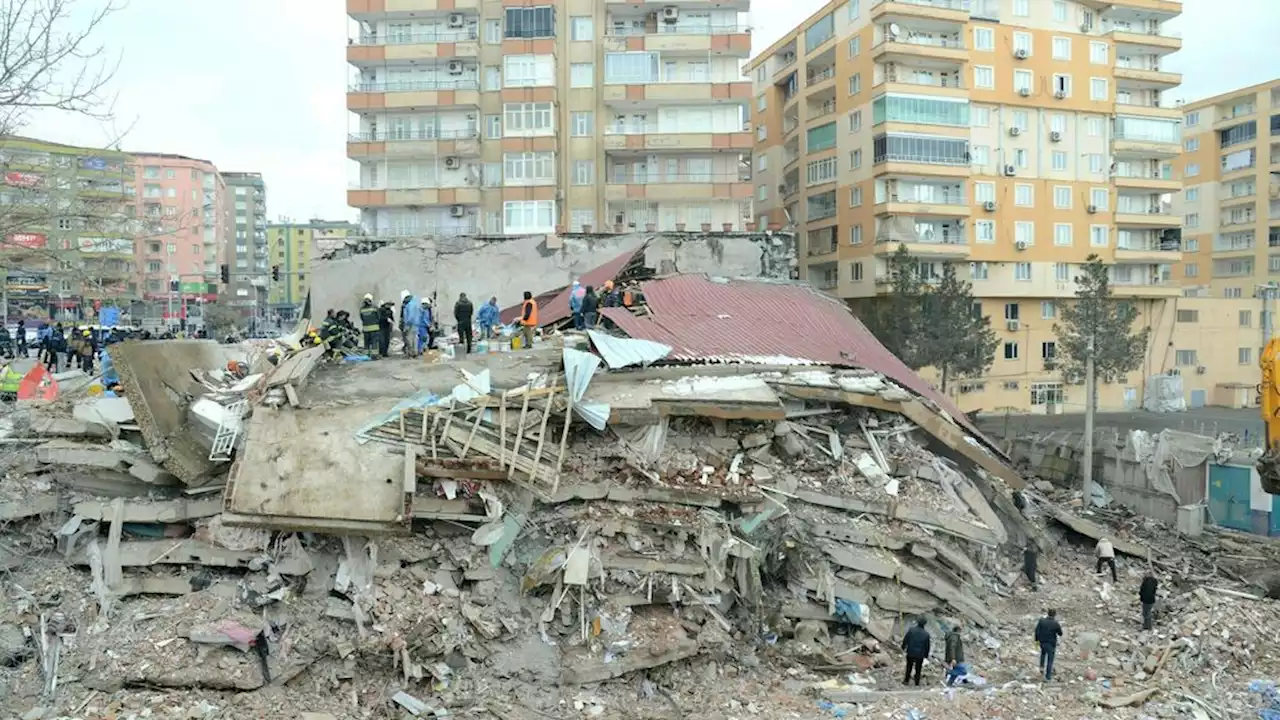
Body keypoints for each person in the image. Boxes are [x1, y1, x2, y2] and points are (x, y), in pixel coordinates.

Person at [1034, 609, 1063, 681]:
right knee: (1050, 660)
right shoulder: (1055, 623)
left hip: (1042, 642)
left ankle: (1041, 668)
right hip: (1051, 644)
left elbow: (1037, 631)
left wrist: (1037, 641)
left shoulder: (1041, 621)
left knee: (1043, 654)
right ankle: (1048, 676)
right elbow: (1060, 633)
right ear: (1054, 615)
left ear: (1048, 613)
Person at [900, 618, 930, 686]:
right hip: (920, 654)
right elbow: (927, 646)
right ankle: (917, 682)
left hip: (910, 652)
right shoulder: (926, 634)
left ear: (917, 622)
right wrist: (926, 655)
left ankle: (906, 681)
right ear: (925, 624)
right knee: (918, 669)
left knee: (909, 667)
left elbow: (906, 639)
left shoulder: (911, 630)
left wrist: (903, 647)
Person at [358, 293, 380, 359]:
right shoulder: (375, 308)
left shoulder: (361, 309)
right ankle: (374, 356)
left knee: (366, 343)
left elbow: (361, 318)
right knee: (374, 342)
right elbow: (378, 317)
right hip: (374, 328)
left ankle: (366, 356)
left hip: (366, 328)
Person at [398, 290, 414, 356]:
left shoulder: (406, 304)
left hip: (407, 323)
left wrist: (402, 323)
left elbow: (403, 315)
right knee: (410, 338)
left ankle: (410, 351)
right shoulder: (413, 303)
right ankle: (410, 351)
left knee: (407, 337)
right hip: (412, 323)